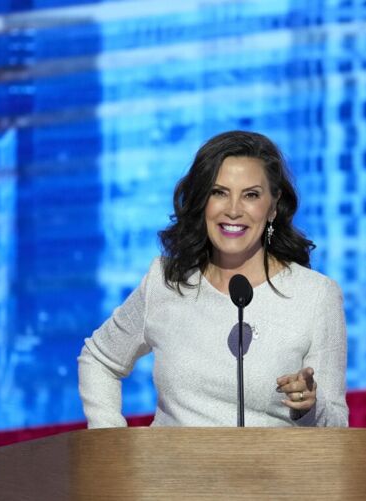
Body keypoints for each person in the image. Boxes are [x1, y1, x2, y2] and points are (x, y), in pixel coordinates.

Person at [78, 130, 348, 427]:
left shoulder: (315, 295)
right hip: (170, 472)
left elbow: (336, 423)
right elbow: (99, 358)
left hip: (267, 473)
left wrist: (309, 406)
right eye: (219, 192)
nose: (233, 210)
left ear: (272, 207)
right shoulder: (166, 281)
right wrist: (111, 444)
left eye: (251, 195)